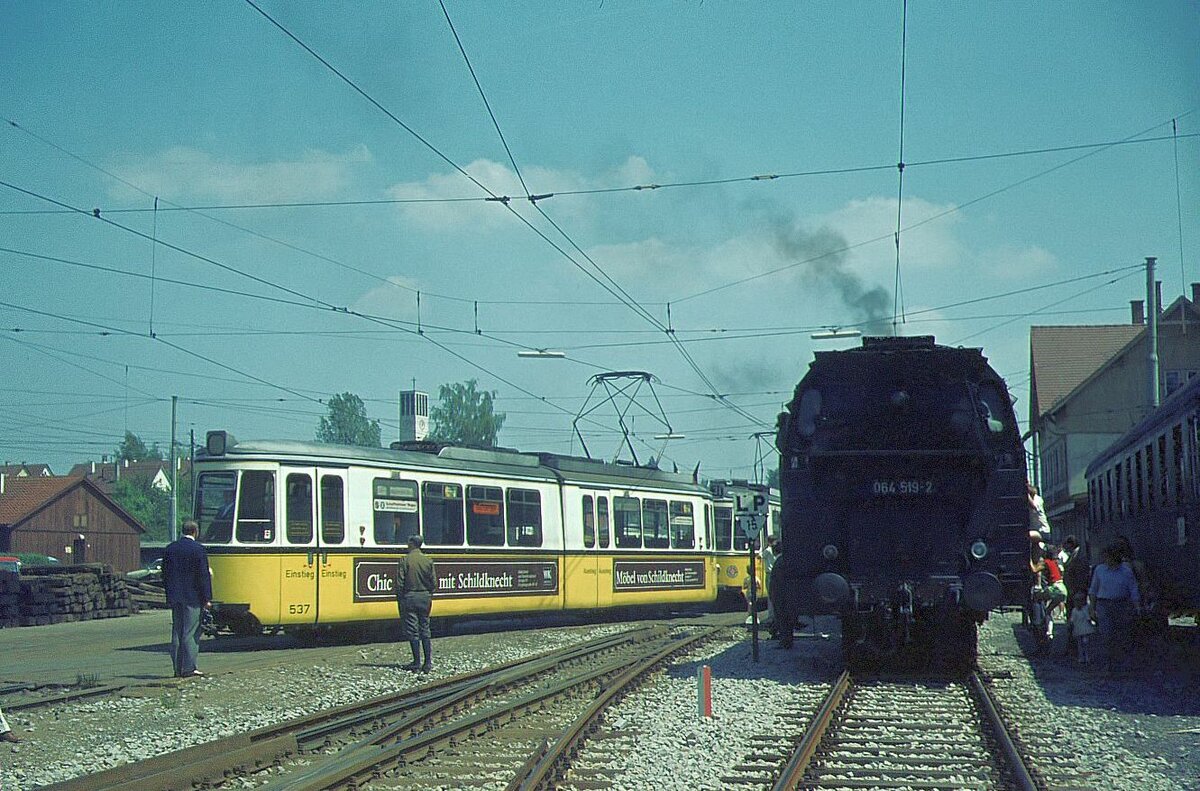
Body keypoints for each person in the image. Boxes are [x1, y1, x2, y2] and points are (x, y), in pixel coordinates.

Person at [162, 519, 213, 678]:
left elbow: (165, 574)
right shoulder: (198, 550)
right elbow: (203, 576)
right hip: (193, 598)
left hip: (175, 597)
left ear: (182, 531)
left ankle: (177, 668)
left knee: (177, 631)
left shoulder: (170, 549)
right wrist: (207, 598)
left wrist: (169, 594)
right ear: (195, 532)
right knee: (190, 633)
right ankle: (189, 668)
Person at [1088, 543, 1141, 671]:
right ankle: (1106, 665)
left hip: (1122, 604)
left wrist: (1137, 606)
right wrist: (1092, 608)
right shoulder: (1100, 570)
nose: (1106, 559)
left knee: (1122, 634)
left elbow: (1133, 589)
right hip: (1104, 605)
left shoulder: (1126, 571)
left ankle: (1122, 665)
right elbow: (1093, 590)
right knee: (1106, 634)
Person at [396, 534, 436, 672]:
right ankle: (428, 662)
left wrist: (400, 598)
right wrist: (428, 594)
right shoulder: (428, 561)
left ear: (412, 544)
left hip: (410, 597)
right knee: (425, 628)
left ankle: (417, 662)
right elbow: (433, 583)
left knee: (413, 631)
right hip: (425, 597)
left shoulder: (405, 560)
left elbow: (400, 583)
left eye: (408, 542)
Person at [1060, 535, 1090, 613]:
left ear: (1071, 544)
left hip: (1077, 589)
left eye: (1066, 544)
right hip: (1071, 589)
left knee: (1078, 612)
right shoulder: (1072, 555)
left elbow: (1081, 573)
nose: (1065, 547)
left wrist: (1080, 589)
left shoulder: (1080, 556)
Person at [1068, 593, 1097, 665]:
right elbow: (1072, 620)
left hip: (1086, 629)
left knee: (1086, 643)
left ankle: (1087, 658)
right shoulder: (1075, 610)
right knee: (1081, 644)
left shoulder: (1086, 608)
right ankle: (1082, 658)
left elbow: (1088, 618)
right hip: (1080, 629)